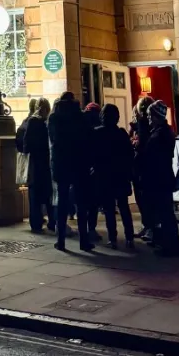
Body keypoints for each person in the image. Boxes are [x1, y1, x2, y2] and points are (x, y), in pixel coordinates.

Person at [48, 91, 92, 252]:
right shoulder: (80, 117)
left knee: (62, 202)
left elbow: (53, 141)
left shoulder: (54, 118)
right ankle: (84, 240)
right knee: (81, 204)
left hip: (61, 164)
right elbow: (87, 140)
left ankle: (60, 240)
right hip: (79, 163)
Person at [139, 100, 179, 257]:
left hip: (159, 179)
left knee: (164, 213)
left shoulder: (158, 135)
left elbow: (152, 158)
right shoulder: (164, 132)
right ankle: (169, 244)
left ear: (157, 116)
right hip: (164, 178)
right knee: (166, 213)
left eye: (150, 115)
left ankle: (169, 246)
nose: (149, 118)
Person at [92, 104, 135, 249]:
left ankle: (113, 238)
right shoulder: (122, 134)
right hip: (120, 175)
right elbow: (129, 155)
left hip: (104, 176)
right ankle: (130, 237)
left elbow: (93, 156)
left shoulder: (97, 133)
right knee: (124, 207)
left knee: (109, 209)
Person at [24, 97, 54, 233]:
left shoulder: (32, 122)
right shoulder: (49, 122)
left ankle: (35, 224)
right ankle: (53, 222)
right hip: (47, 164)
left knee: (35, 196)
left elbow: (26, 146)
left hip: (35, 164)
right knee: (49, 195)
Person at [130, 95, 154, 239]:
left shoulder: (144, 126)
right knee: (143, 198)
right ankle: (147, 225)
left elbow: (140, 145)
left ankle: (150, 226)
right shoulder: (140, 125)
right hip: (140, 167)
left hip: (143, 167)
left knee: (145, 199)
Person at [80, 102, 102, 243]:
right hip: (94, 168)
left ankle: (84, 231)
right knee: (93, 202)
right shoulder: (98, 128)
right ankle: (91, 229)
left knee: (83, 202)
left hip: (82, 167)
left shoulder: (81, 125)